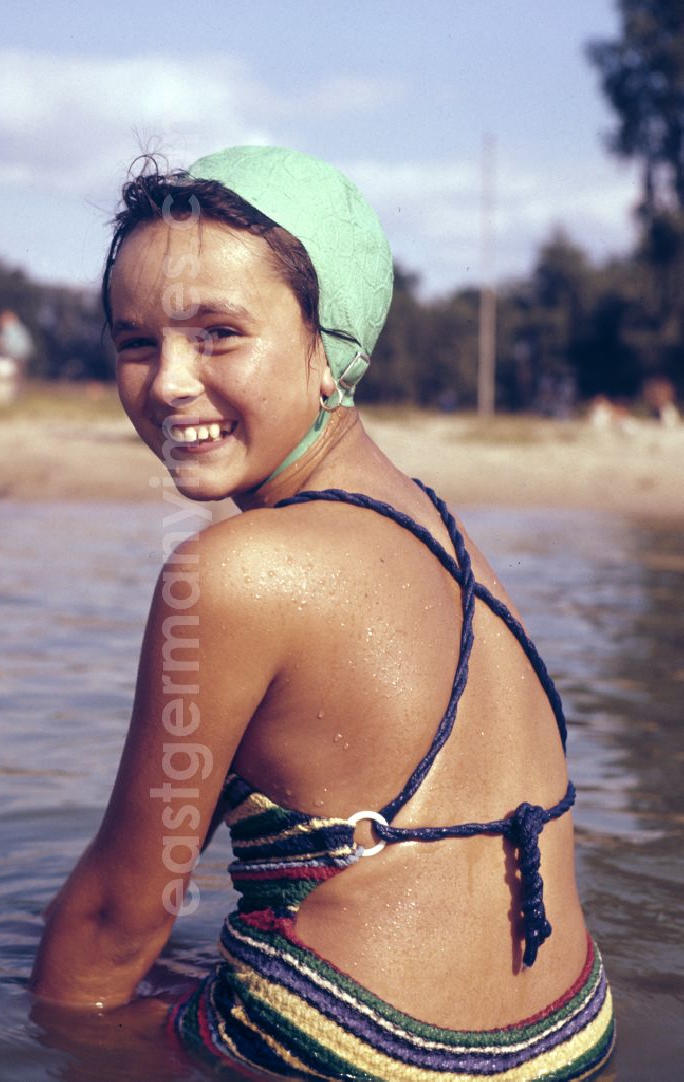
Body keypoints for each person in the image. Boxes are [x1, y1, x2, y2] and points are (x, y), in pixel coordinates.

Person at [31, 147, 614, 1080]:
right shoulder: (446, 533)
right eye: (136, 341)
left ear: (329, 345)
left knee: (37, 995)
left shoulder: (227, 574)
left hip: (364, 1049)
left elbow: (119, 916)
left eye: (218, 332)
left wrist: (42, 1032)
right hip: (572, 1037)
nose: (169, 380)